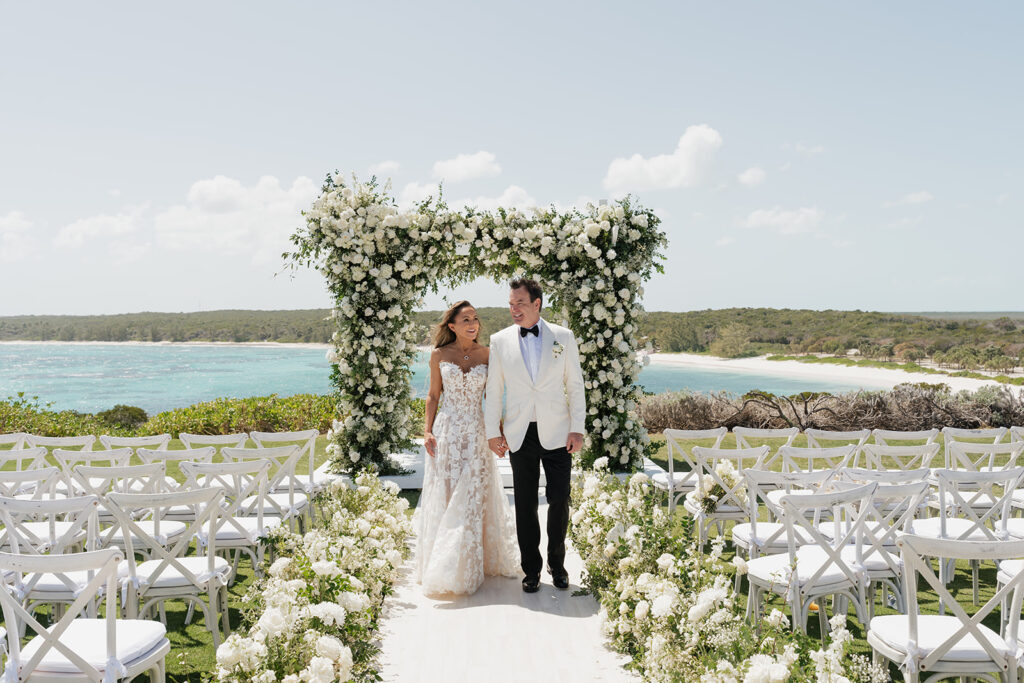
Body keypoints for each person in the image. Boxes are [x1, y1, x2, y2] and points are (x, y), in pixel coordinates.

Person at [485, 278, 586, 593]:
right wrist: (492, 432)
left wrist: (577, 427)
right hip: (519, 433)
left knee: (559, 500)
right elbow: (494, 390)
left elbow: (575, 385)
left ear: (537, 304)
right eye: (511, 304)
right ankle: (532, 570)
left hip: (559, 431)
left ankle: (558, 565)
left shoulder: (563, 337)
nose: (514, 310)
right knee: (525, 504)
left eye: (521, 304)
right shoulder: (499, 341)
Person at [414, 300, 520, 596]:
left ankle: (469, 564)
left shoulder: (488, 355)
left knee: (472, 495)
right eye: (465, 320)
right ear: (452, 326)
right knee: (447, 492)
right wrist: (427, 431)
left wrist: (498, 432)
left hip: (476, 432)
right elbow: (433, 396)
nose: (473, 324)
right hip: (446, 432)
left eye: (475, 319)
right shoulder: (438, 355)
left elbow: (494, 398)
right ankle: (443, 565)